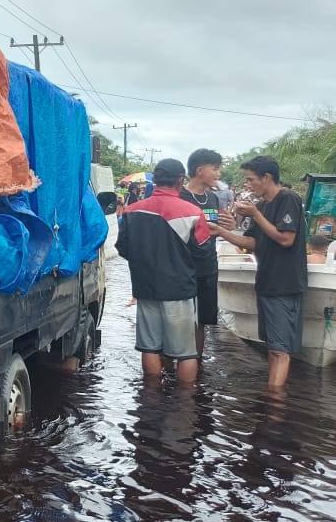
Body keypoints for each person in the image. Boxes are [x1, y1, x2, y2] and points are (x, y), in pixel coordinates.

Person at [210, 156, 307, 387]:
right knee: (272, 347)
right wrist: (222, 232)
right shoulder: (262, 206)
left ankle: (274, 403)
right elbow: (252, 243)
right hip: (266, 282)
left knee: (279, 350)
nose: (248, 185)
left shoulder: (288, 198)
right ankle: (273, 397)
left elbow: (286, 239)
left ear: (267, 177)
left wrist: (255, 215)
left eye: (251, 179)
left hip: (284, 284)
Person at [116, 159, 211, 382]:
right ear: (180, 180)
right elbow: (203, 253)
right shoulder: (193, 213)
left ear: (156, 180)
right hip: (180, 290)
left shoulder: (131, 211)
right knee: (186, 353)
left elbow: (123, 248)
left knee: (149, 347)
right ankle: (185, 399)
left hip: (145, 288)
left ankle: (151, 395)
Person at [178, 148, 236, 359]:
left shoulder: (212, 198)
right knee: (178, 320)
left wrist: (230, 224)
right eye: (215, 169)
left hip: (208, 267)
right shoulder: (180, 196)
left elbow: (221, 225)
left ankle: (196, 365)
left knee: (201, 321)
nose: (219, 174)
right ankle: (172, 366)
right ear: (199, 170)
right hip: (182, 268)